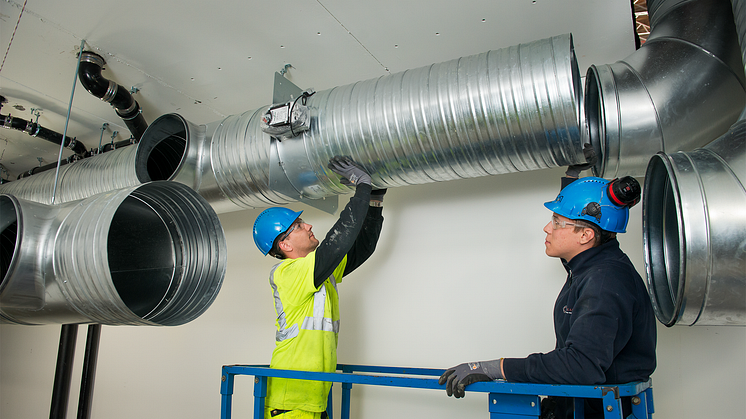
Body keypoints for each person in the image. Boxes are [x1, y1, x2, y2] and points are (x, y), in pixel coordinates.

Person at [439, 163, 657, 419]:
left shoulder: (604, 282)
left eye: (556, 221)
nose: (547, 228)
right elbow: (575, 244)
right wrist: (571, 184)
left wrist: (495, 368)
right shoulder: (592, 266)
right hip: (579, 405)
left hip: (597, 412)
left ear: (586, 235)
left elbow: (581, 366)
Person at [252, 156, 386, 419]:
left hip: (314, 399)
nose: (309, 225)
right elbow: (337, 243)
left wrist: (374, 199)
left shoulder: (319, 273)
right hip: (290, 402)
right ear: (285, 245)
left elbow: (360, 248)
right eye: (299, 226)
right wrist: (361, 186)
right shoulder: (286, 274)